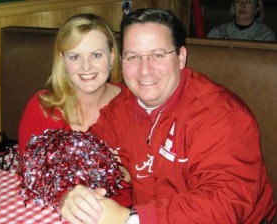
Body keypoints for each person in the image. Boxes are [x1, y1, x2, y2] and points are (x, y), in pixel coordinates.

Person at [60, 8, 276, 224]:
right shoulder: (120, 109)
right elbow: (81, 153)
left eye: (157, 55)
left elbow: (225, 202)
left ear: (181, 57)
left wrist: (131, 219)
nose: (145, 70)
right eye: (133, 57)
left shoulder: (220, 115)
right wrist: (69, 194)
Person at [18, 13, 131, 207]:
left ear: (112, 56)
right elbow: (31, 175)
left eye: (96, 55)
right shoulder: (42, 107)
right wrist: (63, 197)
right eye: (75, 56)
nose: (86, 66)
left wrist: (130, 174)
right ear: (62, 60)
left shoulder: (134, 103)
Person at [207, 0, 276, 41]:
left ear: (257, 9)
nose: (242, 5)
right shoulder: (218, 32)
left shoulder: (266, 35)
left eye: (248, 1)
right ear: (233, 7)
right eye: (238, 1)